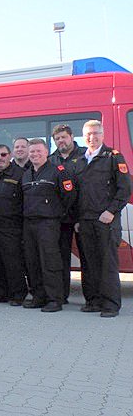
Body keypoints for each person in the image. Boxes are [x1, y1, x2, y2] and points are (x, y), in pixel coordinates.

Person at [75, 120, 131, 317]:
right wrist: (77, 219)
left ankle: (110, 305)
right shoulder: (81, 161)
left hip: (106, 220)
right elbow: (77, 193)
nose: (92, 137)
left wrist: (111, 211)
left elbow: (125, 189)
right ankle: (93, 301)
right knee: (89, 263)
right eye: (88, 134)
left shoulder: (114, 157)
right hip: (85, 220)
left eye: (96, 133)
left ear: (103, 134)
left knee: (107, 264)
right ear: (84, 136)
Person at [21, 139, 77, 312]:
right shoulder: (26, 174)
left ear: (46, 152)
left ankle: (55, 299)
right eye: (32, 152)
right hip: (29, 223)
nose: (35, 154)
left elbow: (69, 196)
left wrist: (56, 213)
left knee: (50, 261)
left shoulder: (58, 171)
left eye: (38, 151)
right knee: (33, 261)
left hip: (49, 223)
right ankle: (39, 296)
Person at [0, 144, 27, 306]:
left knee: (13, 262)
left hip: (11, 226)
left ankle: (17, 294)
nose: (0, 158)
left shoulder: (20, 174)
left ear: (10, 156)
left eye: (3, 154)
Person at [49, 124, 87, 304]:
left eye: (63, 137)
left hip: (83, 216)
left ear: (72, 137)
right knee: (61, 258)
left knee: (87, 258)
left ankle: (92, 298)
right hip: (62, 218)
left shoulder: (85, 155)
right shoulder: (51, 160)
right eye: (57, 139)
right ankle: (61, 296)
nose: (61, 141)